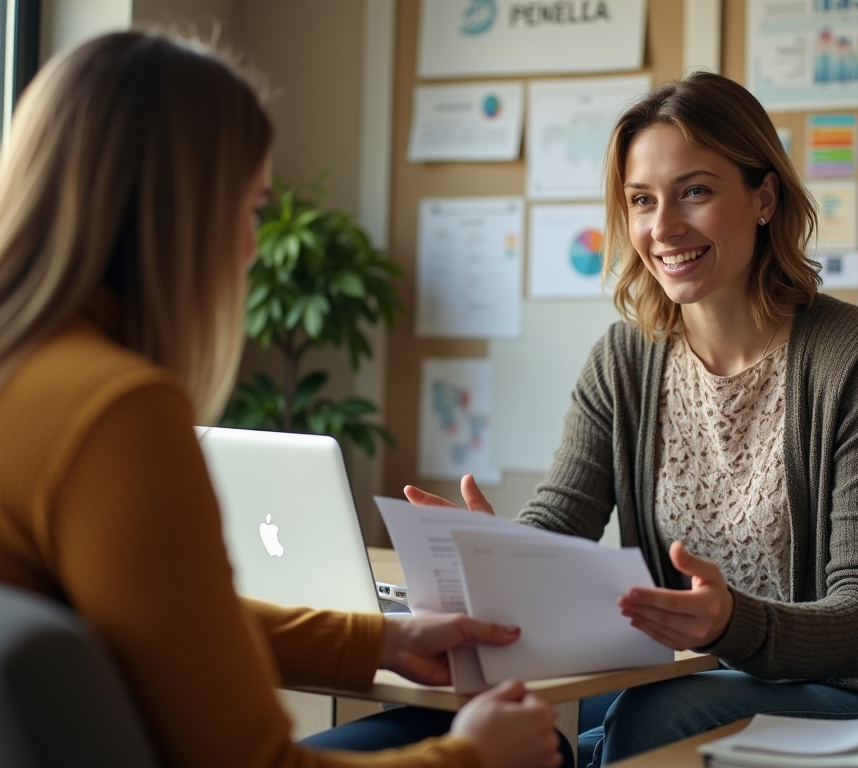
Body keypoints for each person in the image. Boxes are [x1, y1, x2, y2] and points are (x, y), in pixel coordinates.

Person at [0, 31, 569, 768]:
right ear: (181, 214)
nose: (252, 247)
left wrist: (382, 638)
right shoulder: (113, 411)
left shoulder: (31, 381)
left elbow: (159, 625)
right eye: (251, 208)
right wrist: (470, 758)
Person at [405, 71, 858, 766]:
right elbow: (559, 522)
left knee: (650, 717)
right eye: (642, 201)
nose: (663, 228)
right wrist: (493, 551)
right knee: (467, 714)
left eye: (694, 192)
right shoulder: (625, 359)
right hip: (688, 669)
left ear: (763, 198)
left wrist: (735, 622)